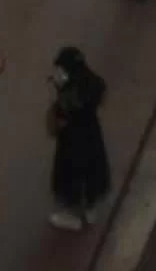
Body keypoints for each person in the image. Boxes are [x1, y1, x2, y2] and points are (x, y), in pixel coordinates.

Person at [47, 47, 113, 231]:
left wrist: (57, 97)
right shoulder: (92, 83)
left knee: (71, 173)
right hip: (92, 134)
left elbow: (57, 119)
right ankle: (90, 209)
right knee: (92, 169)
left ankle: (72, 215)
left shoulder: (70, 95)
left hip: (72, 139)